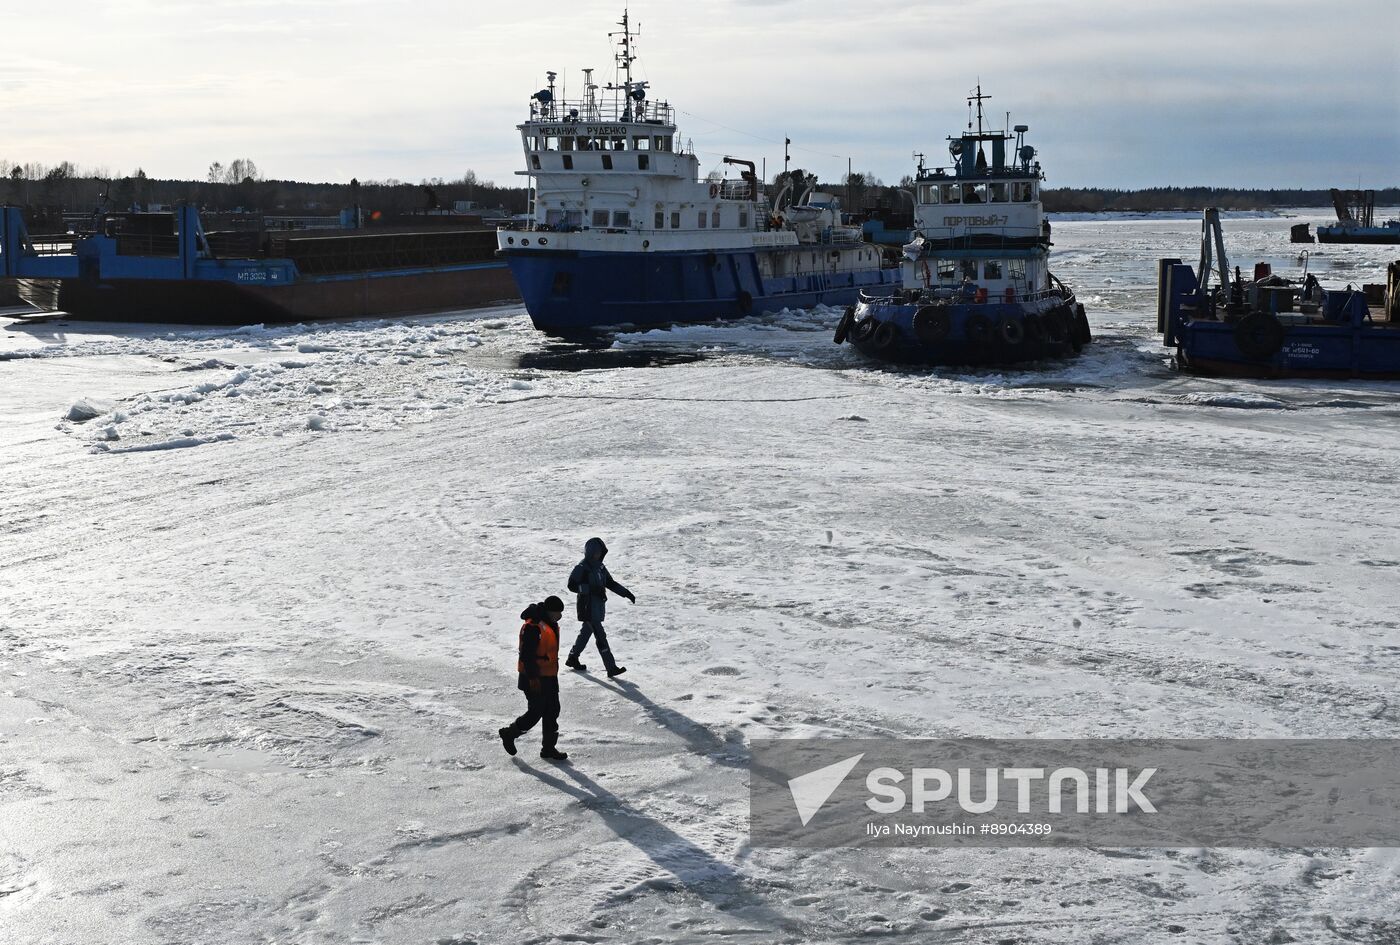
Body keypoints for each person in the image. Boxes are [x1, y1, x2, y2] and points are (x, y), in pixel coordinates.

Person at [499, 596, 569, 761]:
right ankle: (510, 733)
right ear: (549, 611)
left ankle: (548, 749)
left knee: (552, 710)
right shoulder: (533, 626)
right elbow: (527, 656)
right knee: (535, 712)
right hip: (533, 677)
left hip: (549, 677)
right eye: (557, 613)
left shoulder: (549, 623)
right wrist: (533, 679)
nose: (560, 616)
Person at [564, 537, 635, 678]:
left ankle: (572, 657)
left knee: (585, 633)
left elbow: (610, 583)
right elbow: (571, 585)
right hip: (587, 608)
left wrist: (626, 593)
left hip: (597, 607)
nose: (598, 554)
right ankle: (611, 667)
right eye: (596, 552)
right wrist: (590, 589)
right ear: (590, 552)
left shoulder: (600, 567)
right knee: (601, 636)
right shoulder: (582, 567)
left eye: (600, 552)